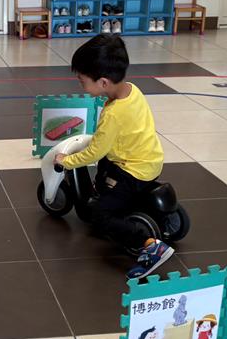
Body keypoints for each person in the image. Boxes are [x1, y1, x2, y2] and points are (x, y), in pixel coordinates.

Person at [55, 34, 174, 279]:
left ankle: (149, 246)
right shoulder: (133, 91)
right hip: (150, 161)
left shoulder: (112, 115)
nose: (80, 84)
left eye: (82, 81)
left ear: (103, 82)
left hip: (131, 171)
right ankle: (111, 193)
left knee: (99, 215)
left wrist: (67, 161)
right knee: (107, 163)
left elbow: (95, 152)